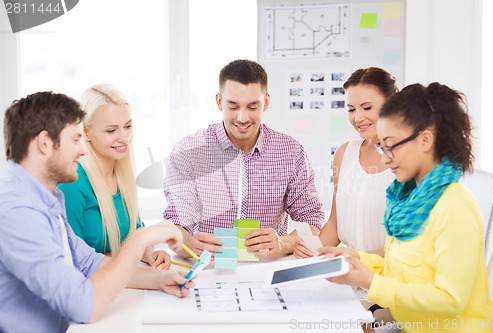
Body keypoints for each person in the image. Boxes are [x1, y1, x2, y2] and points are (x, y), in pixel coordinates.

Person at [0, 91, 193, 333]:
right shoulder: (17, 211)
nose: (82, 151)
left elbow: (90, 263)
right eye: (75, 140)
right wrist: (140, 238)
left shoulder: (46, 198)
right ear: (45, 143)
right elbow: (84, 305)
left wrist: (159, 280)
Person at [321, 82, 493, 332]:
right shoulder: (408, 202)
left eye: (391, 145)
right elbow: (403, 272)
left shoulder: (455, 206)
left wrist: (370, 282)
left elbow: (450, 299)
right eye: (382, 146)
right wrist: (357, 259)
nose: (384, 157)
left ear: (425, 140)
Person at [163, 59, 324, 258]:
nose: (242, 118)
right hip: (208, 270)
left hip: (268, 269)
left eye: (252, 107)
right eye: (233, 106)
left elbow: (312, 219)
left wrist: (285, 242)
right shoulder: (188, 151)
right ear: (219, 101)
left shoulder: (291, 152)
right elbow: (174, 225)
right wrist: (188, 242)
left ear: (266, 102)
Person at [58, 84, 168, 267]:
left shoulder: (122, 174)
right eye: (111, 130)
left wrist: (149, 253)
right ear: (86, 132)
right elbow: (75, 261)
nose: (124, 137)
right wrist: (129, 258)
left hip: (122, 285)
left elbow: (135, 233)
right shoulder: (72, 183)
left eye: (128, 126)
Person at [294, 67, 397, 259]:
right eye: (351, 109)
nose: (357, 118)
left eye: (367, 108)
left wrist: (356, 260)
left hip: (388, 279)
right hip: (348, 277)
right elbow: (335, 222)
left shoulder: (409, 161)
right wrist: (313, 250)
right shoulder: (345, 153)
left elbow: (411, 247)